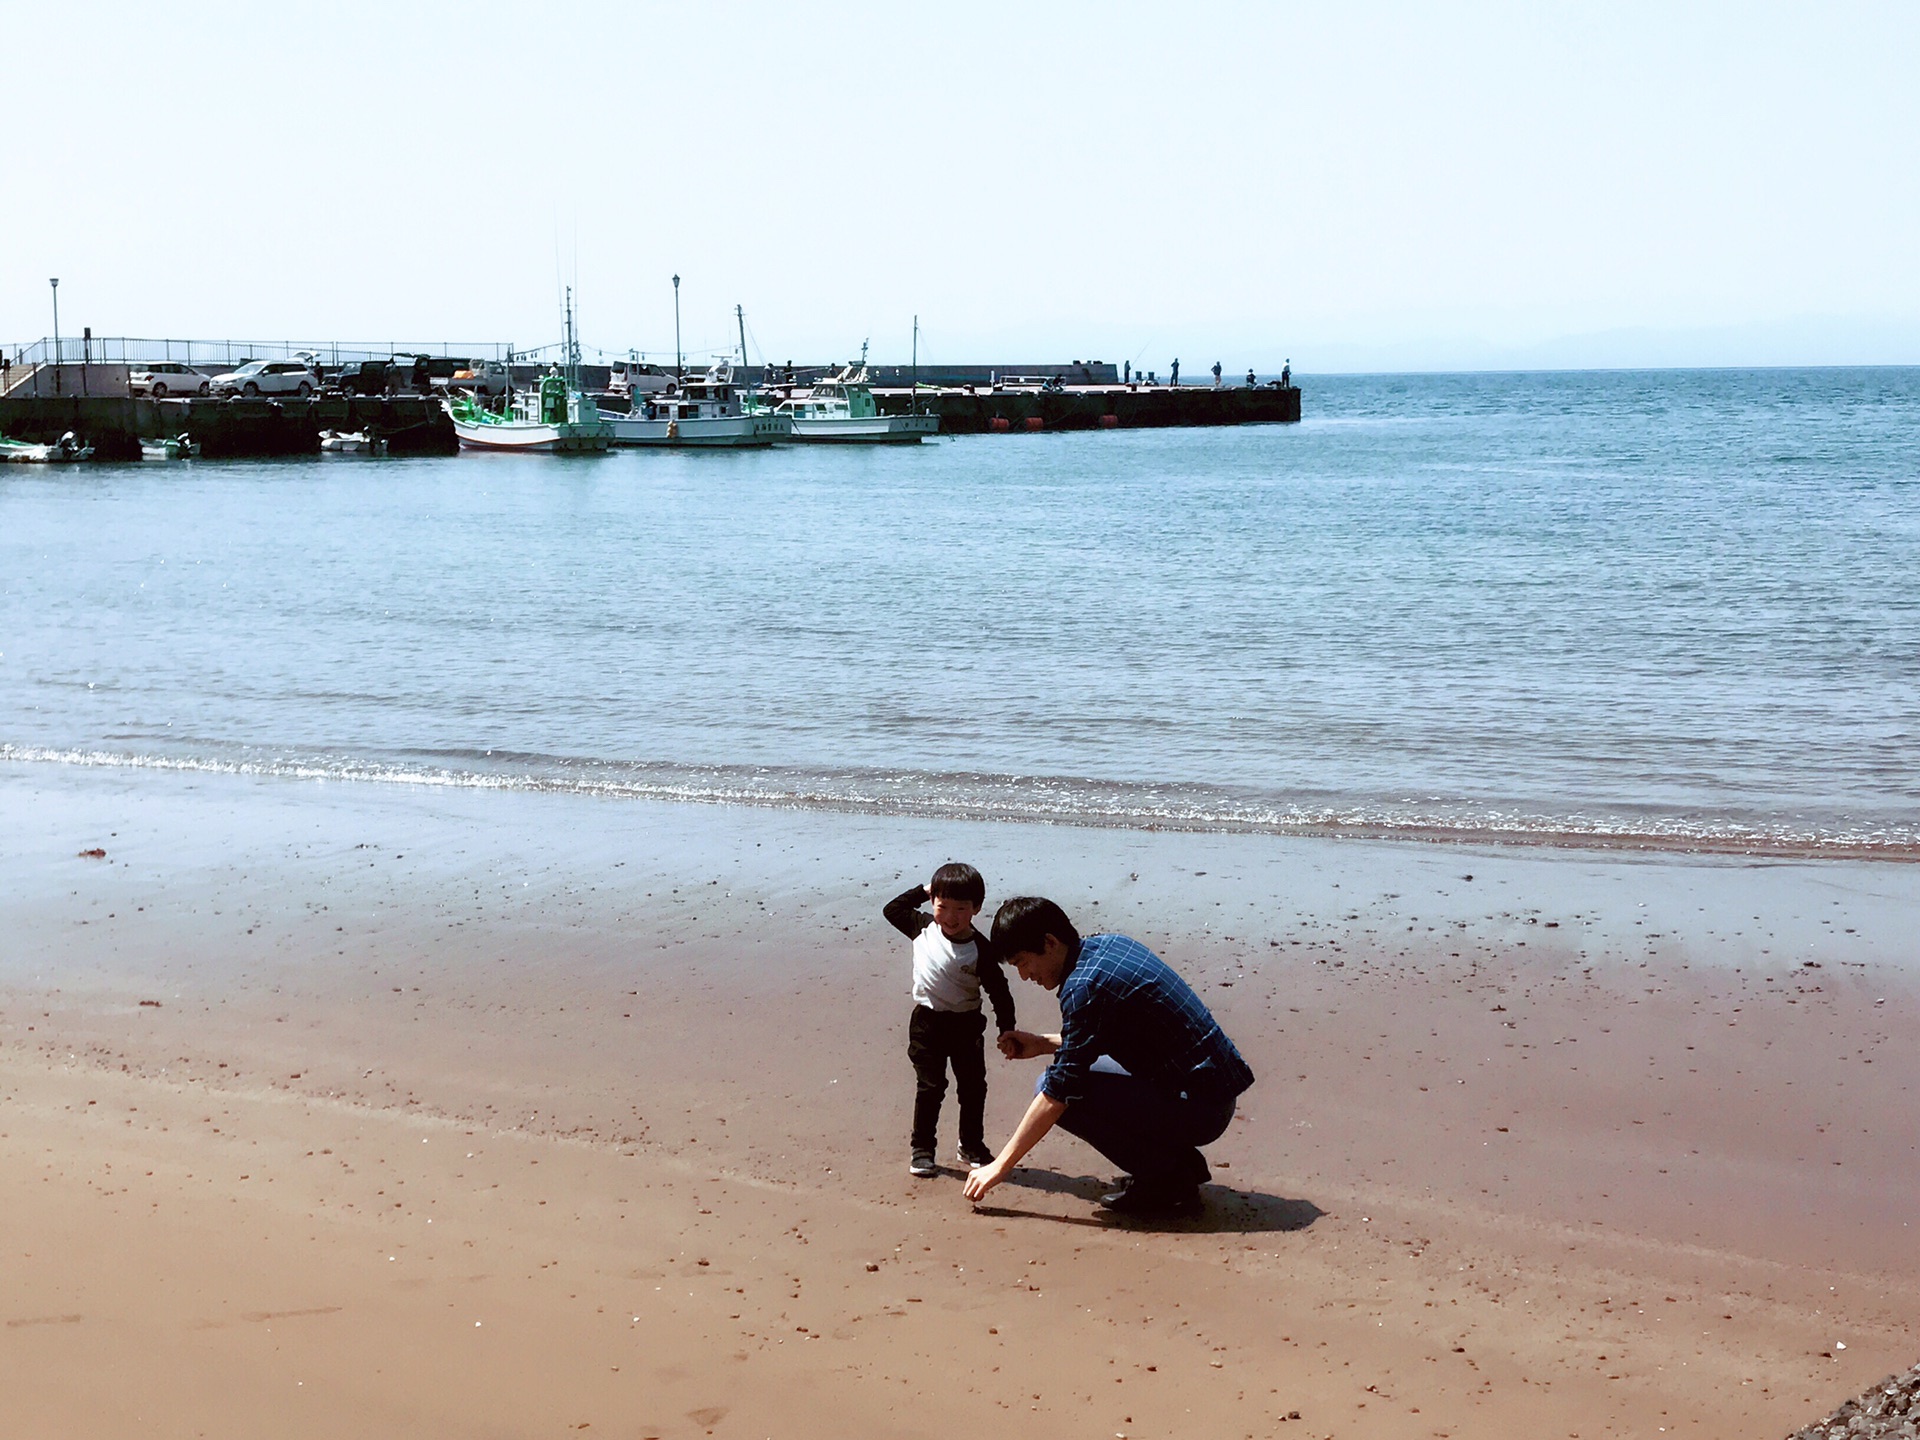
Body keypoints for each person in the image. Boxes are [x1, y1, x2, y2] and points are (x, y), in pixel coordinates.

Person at [964, 897, 1253, 1217]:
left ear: (1049, 942)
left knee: (1053, 1089)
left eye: (1022, 962)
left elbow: (1059, 1090)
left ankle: (1168, 1181)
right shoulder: (1111, 945)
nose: (1024, 975)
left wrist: (999, 1166)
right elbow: (1107, 1035)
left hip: (1202, 1108)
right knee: (1067, 1079)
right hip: (1212, 1090)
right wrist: (1043, 1043)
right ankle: (1178, 1166)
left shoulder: (1084, 987)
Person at [884, 863, 1016, 1179]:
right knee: (930, 1087)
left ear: (976, 909)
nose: (951, 916)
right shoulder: (921, 927)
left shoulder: (980, 948)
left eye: (961, 908)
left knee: (972, 1088)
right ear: (933, 904)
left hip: (966, 1025)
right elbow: (892, 909)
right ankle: (922, 1150)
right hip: (926, 1024)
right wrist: (926, 890)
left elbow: (999, 990)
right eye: (943, 906)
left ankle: (970, 1145)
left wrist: (1007, 1028)